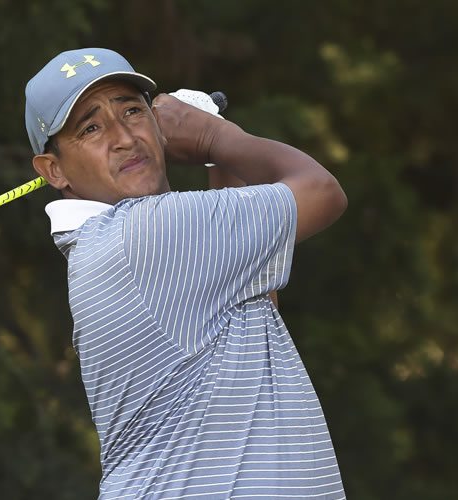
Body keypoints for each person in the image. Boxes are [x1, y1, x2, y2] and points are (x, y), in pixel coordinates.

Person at [25, 48, 348, 498]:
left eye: (132, 111)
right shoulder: (143, 235)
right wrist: (212, 135)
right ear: (54, 169)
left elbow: (255, 304)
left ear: (156, 124)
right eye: (91, 128)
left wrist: (218, 158)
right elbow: (323, 192)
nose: (124, 138)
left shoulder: (121, 243)